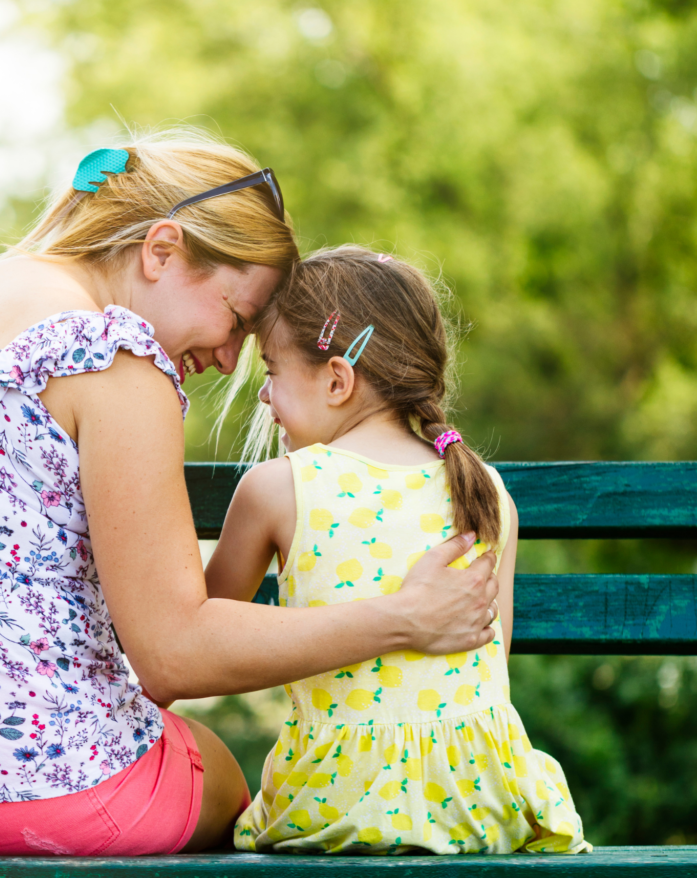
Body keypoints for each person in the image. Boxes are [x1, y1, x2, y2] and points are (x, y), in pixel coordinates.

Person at [0, 131, 502, 857]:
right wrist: (404, 619)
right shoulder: (110, 358)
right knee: (228, 779)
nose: (229, 357)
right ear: (161, 250)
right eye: (237, 318)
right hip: (47, 795)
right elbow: (173, 658)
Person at [208, 246, 591, 855]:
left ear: (337, 379)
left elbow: (200, 631)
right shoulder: (485, 489)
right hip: (486, 799)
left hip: (339, 800)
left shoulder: (280, 487)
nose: (263, 396)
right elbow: (491, 655)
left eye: (271, 371)